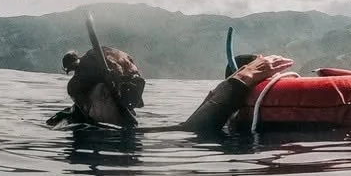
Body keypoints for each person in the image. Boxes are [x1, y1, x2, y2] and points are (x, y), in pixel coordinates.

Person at [53, 44, 294, 135]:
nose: (138, 105)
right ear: (103, 93)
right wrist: (244, 77)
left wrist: (234, 82)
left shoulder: (84, 120)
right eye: (132, 92)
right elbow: (189, 131)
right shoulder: (92, 135)